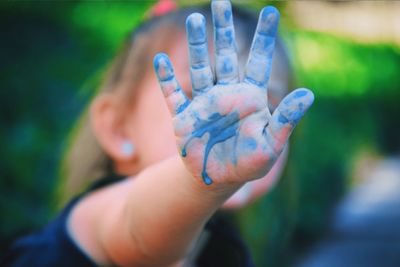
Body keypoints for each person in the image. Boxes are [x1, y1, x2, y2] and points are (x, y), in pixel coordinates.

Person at [1, 0, 314, 266]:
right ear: (119, 129)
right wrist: (202, 181)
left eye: (266, 108)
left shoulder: (217, 248)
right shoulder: (103, 212)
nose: (235, 121)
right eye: (202, 99)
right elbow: (138, 232)